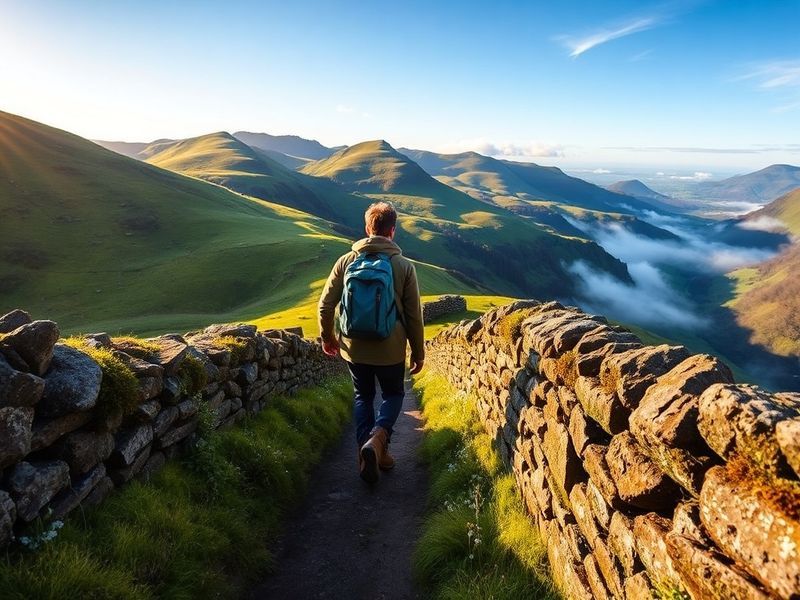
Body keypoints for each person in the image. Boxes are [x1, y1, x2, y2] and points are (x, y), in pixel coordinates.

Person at [318, 201, 425, 484]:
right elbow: (414, 315)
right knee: (393, 395)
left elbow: (325, 306)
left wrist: (328, 337)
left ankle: (367, 451)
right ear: (392, 230)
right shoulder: (403, 266)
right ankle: (378, 440)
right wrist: (418, 352)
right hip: (390, 349)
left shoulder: (346, 262)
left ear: (367, 228)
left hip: (354, 347)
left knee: (362, 396)